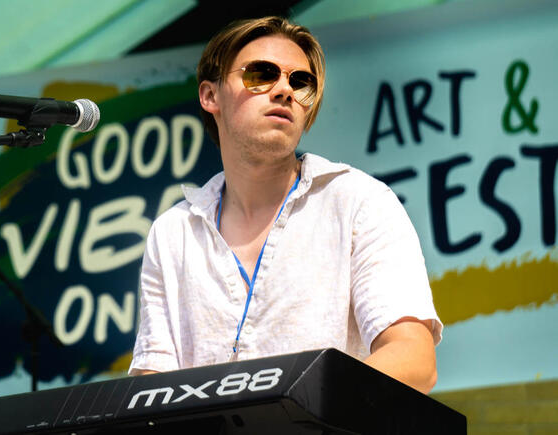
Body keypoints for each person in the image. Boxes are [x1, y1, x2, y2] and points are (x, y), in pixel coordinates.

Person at [128, 16, 441, 394]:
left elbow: (414, 360)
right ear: (210, 96)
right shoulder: (172, 232)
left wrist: (292, 405)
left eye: (300, 82)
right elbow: (150, 388)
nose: (284, 90)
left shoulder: (360, 202)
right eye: (261, 74)